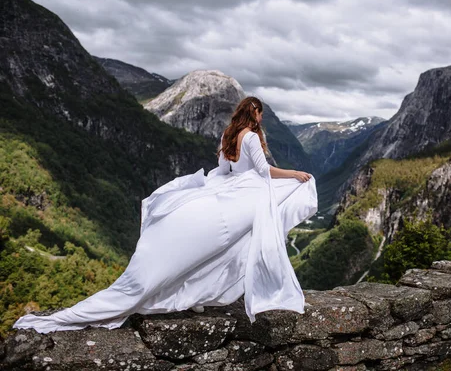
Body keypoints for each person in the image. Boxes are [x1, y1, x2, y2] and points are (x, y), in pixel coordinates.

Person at [12, 96, 317, 334]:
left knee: (224, 247)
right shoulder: (251, 136)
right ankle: (205, 292)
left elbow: (223, 171)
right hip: (248, 194)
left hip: (231, 189)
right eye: (260, 114)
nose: (260, 118)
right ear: (257, 114)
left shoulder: (228, 134)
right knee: (238, 244)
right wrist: (294, 174)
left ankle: (196, 293)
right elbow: (264, 173)